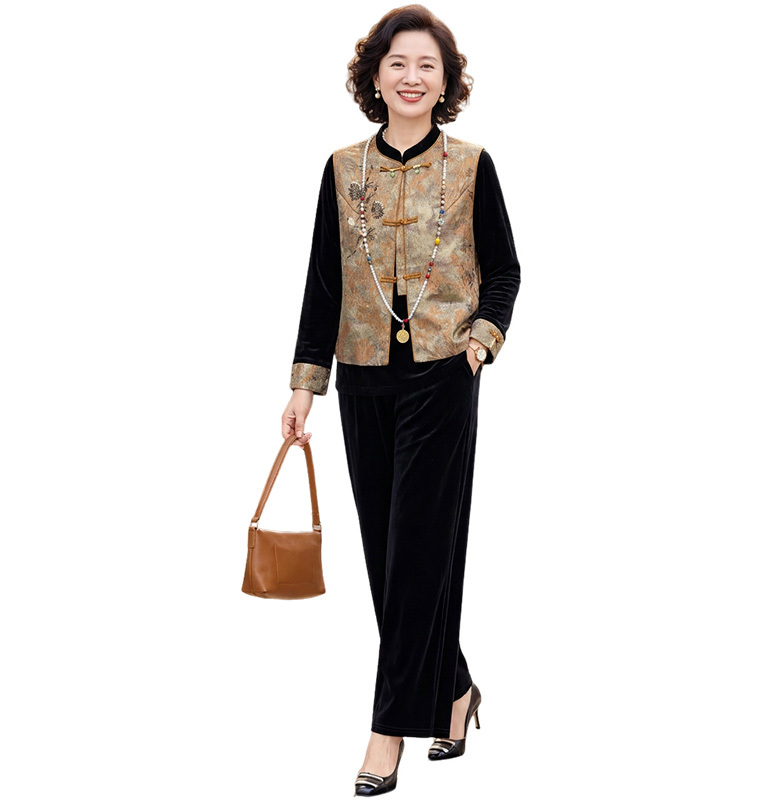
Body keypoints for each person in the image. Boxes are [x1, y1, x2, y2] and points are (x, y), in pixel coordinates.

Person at [280, 4, 521, 795]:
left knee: (419, 550)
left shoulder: (473, 166)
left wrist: (480, 342)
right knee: (391, 557)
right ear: (375, 78)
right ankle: (454, 691)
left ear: (445, 83)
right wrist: (305, 385)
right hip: (363, 373)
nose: (412, 77)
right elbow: (323, 284)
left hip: (445, 374)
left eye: (427, 65)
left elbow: (505, 270)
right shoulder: (341, 169)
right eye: (398, 64)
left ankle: (387, 729)